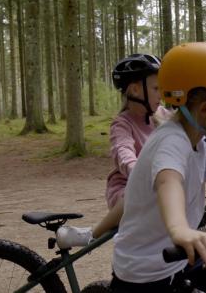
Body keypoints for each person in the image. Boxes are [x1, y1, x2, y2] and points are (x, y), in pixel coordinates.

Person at [110, 42, 206, 293]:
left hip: (180, 259)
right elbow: (167, 182)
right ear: (205, 109)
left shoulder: (199, 141)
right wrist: (180, 229)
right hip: (146, 274)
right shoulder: (171, 140)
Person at [55, 53, 173, 249]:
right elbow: (123, 151)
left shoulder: (164, 114)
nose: (161, 94)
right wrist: (137, 171)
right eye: (156, 88)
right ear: (135, 90)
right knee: (139, 193)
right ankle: (93, 234)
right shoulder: (122, 123)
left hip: (159, 182)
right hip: (126, 187)